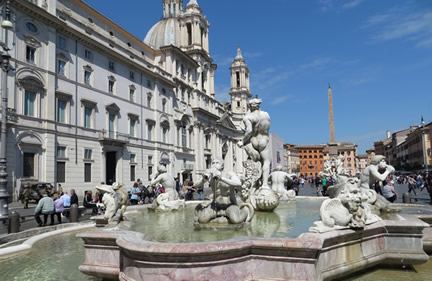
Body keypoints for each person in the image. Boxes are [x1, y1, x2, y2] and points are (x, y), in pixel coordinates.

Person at [237, 96, 271, 189]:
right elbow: (267, 128)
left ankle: (253, 183)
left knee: (253, 161)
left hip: (254, 141)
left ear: (250, 106)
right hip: (264, 140)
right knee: (266, 162)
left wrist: (242, 142)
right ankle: (264, 184)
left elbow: (249, 131)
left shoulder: (248, 117)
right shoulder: (266, 115)